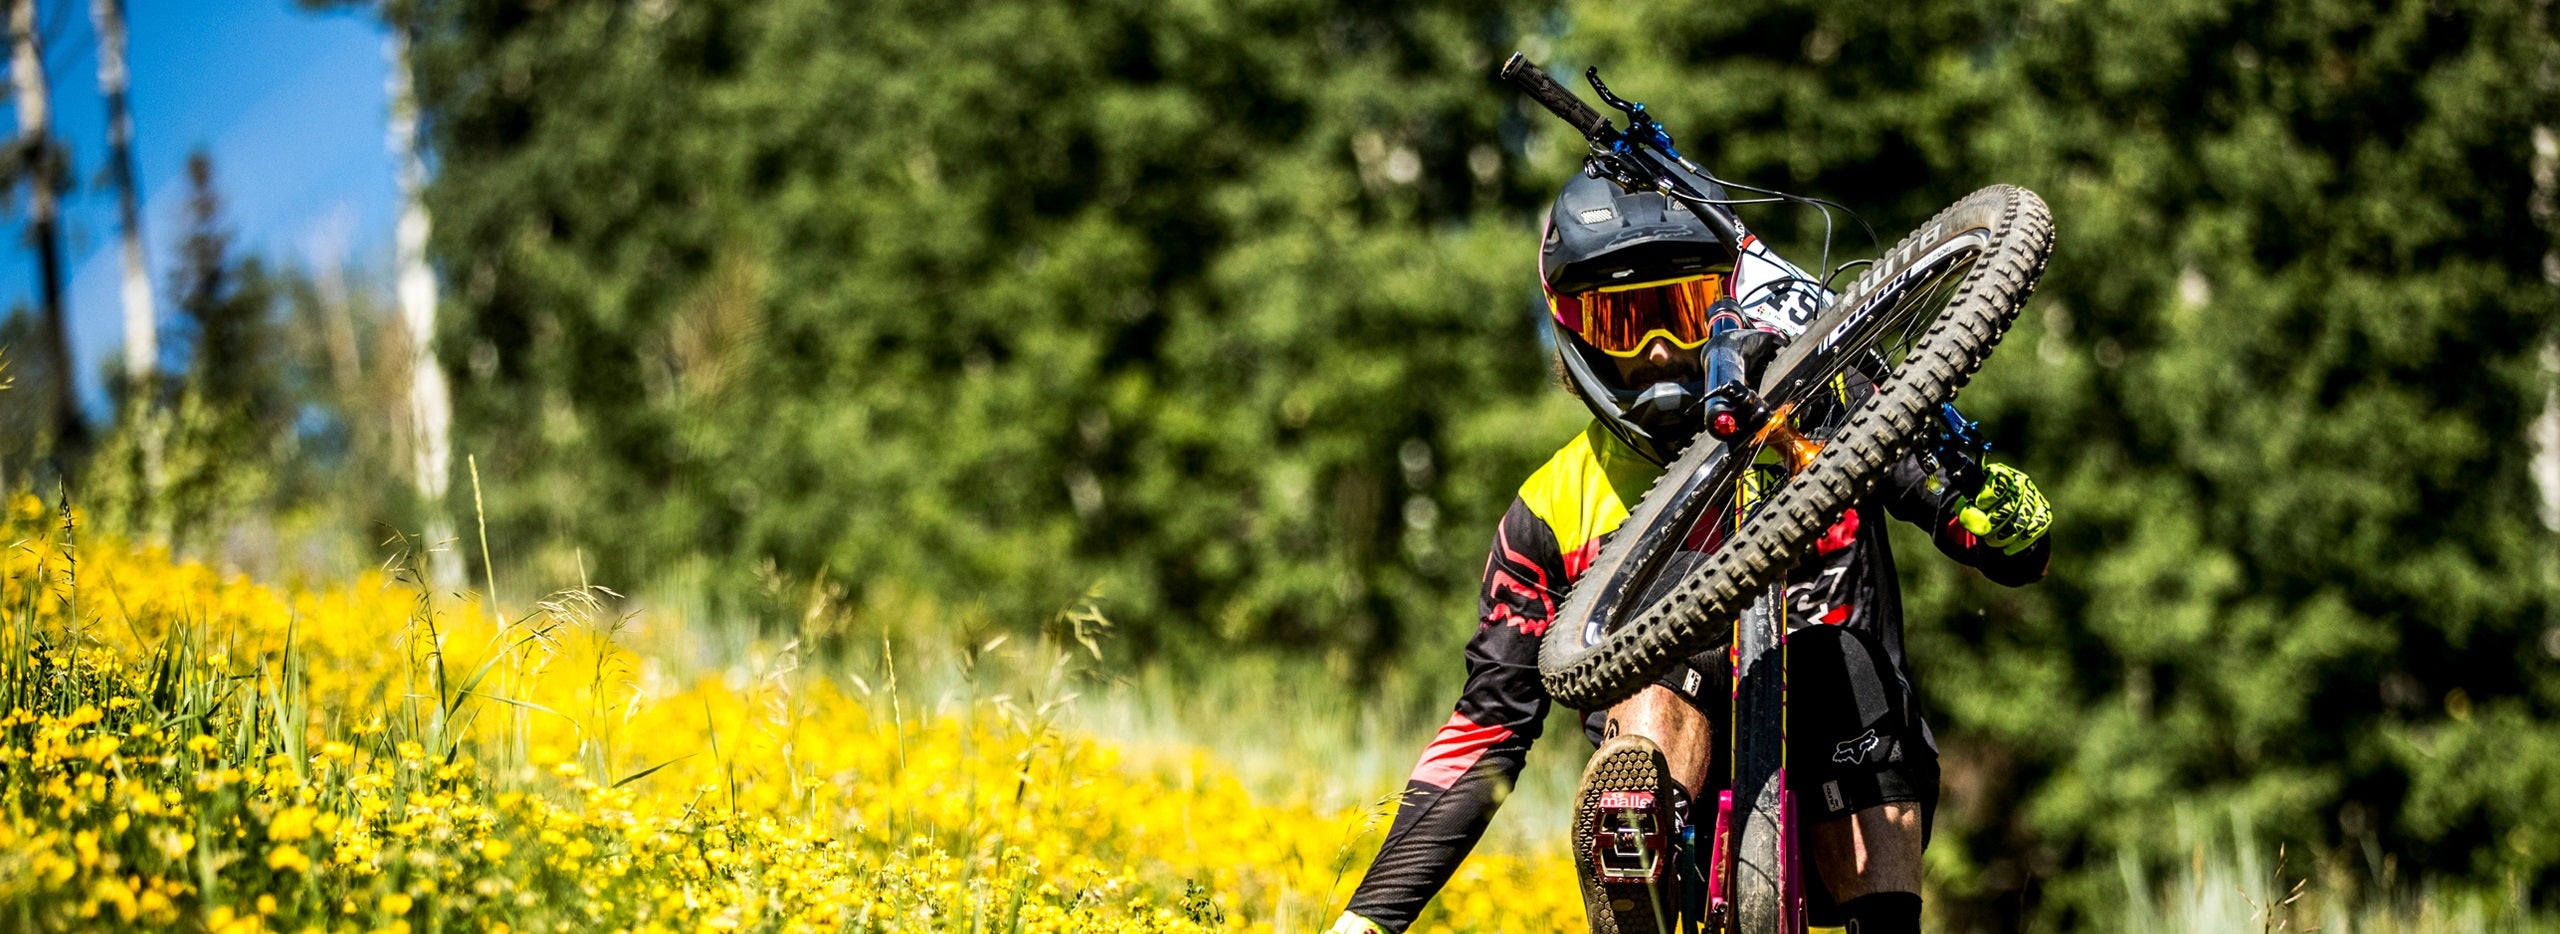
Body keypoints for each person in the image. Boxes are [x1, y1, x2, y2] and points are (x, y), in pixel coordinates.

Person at [1327, 170, 2053, 934]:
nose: (1661, 347)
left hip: (1850, 768)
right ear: (1573, 333)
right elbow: (1488, 727)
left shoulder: (1826, 411)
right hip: (1673, 782)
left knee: (1845, 665)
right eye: (1625, 321)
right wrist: (1368, 921)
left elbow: (2012, 553)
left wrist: (2003, 509)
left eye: (1684, 310)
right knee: (1664, 620)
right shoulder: (1551, 508)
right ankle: (1638, 859)